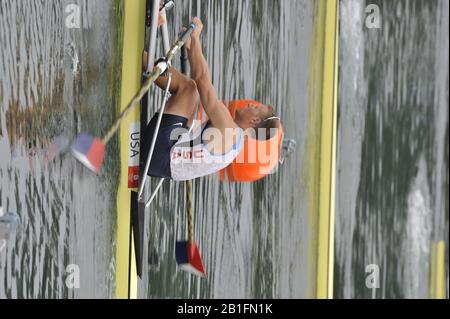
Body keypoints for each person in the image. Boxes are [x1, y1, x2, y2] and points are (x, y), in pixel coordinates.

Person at [142, 17, 282, 181]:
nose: (252, 103)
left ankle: (141, 58)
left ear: (255, 121)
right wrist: (191, 49)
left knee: (190, 89)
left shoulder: (228, 129)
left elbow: (202, 79)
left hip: (159, 153)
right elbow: (203, 82)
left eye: (257, 108)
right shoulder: (236, 142)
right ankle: (149, 64)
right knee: (193, 94)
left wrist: (195, 38)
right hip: (161, 164)